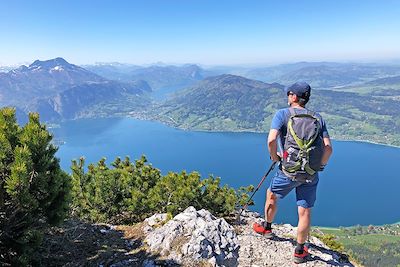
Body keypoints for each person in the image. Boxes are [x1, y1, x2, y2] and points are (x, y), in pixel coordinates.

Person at [253, 82, 333, 264]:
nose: (288, 96)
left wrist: (274, 156)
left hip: (288, 171)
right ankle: (300, 250)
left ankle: (267, 228)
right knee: (304, 211)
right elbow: (328, 148)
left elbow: (272, 139)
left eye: (289, 93)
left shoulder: (282, 114)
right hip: (310, 173)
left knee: (271, 195)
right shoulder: (317, 118)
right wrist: (320, 166)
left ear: (294, 97)